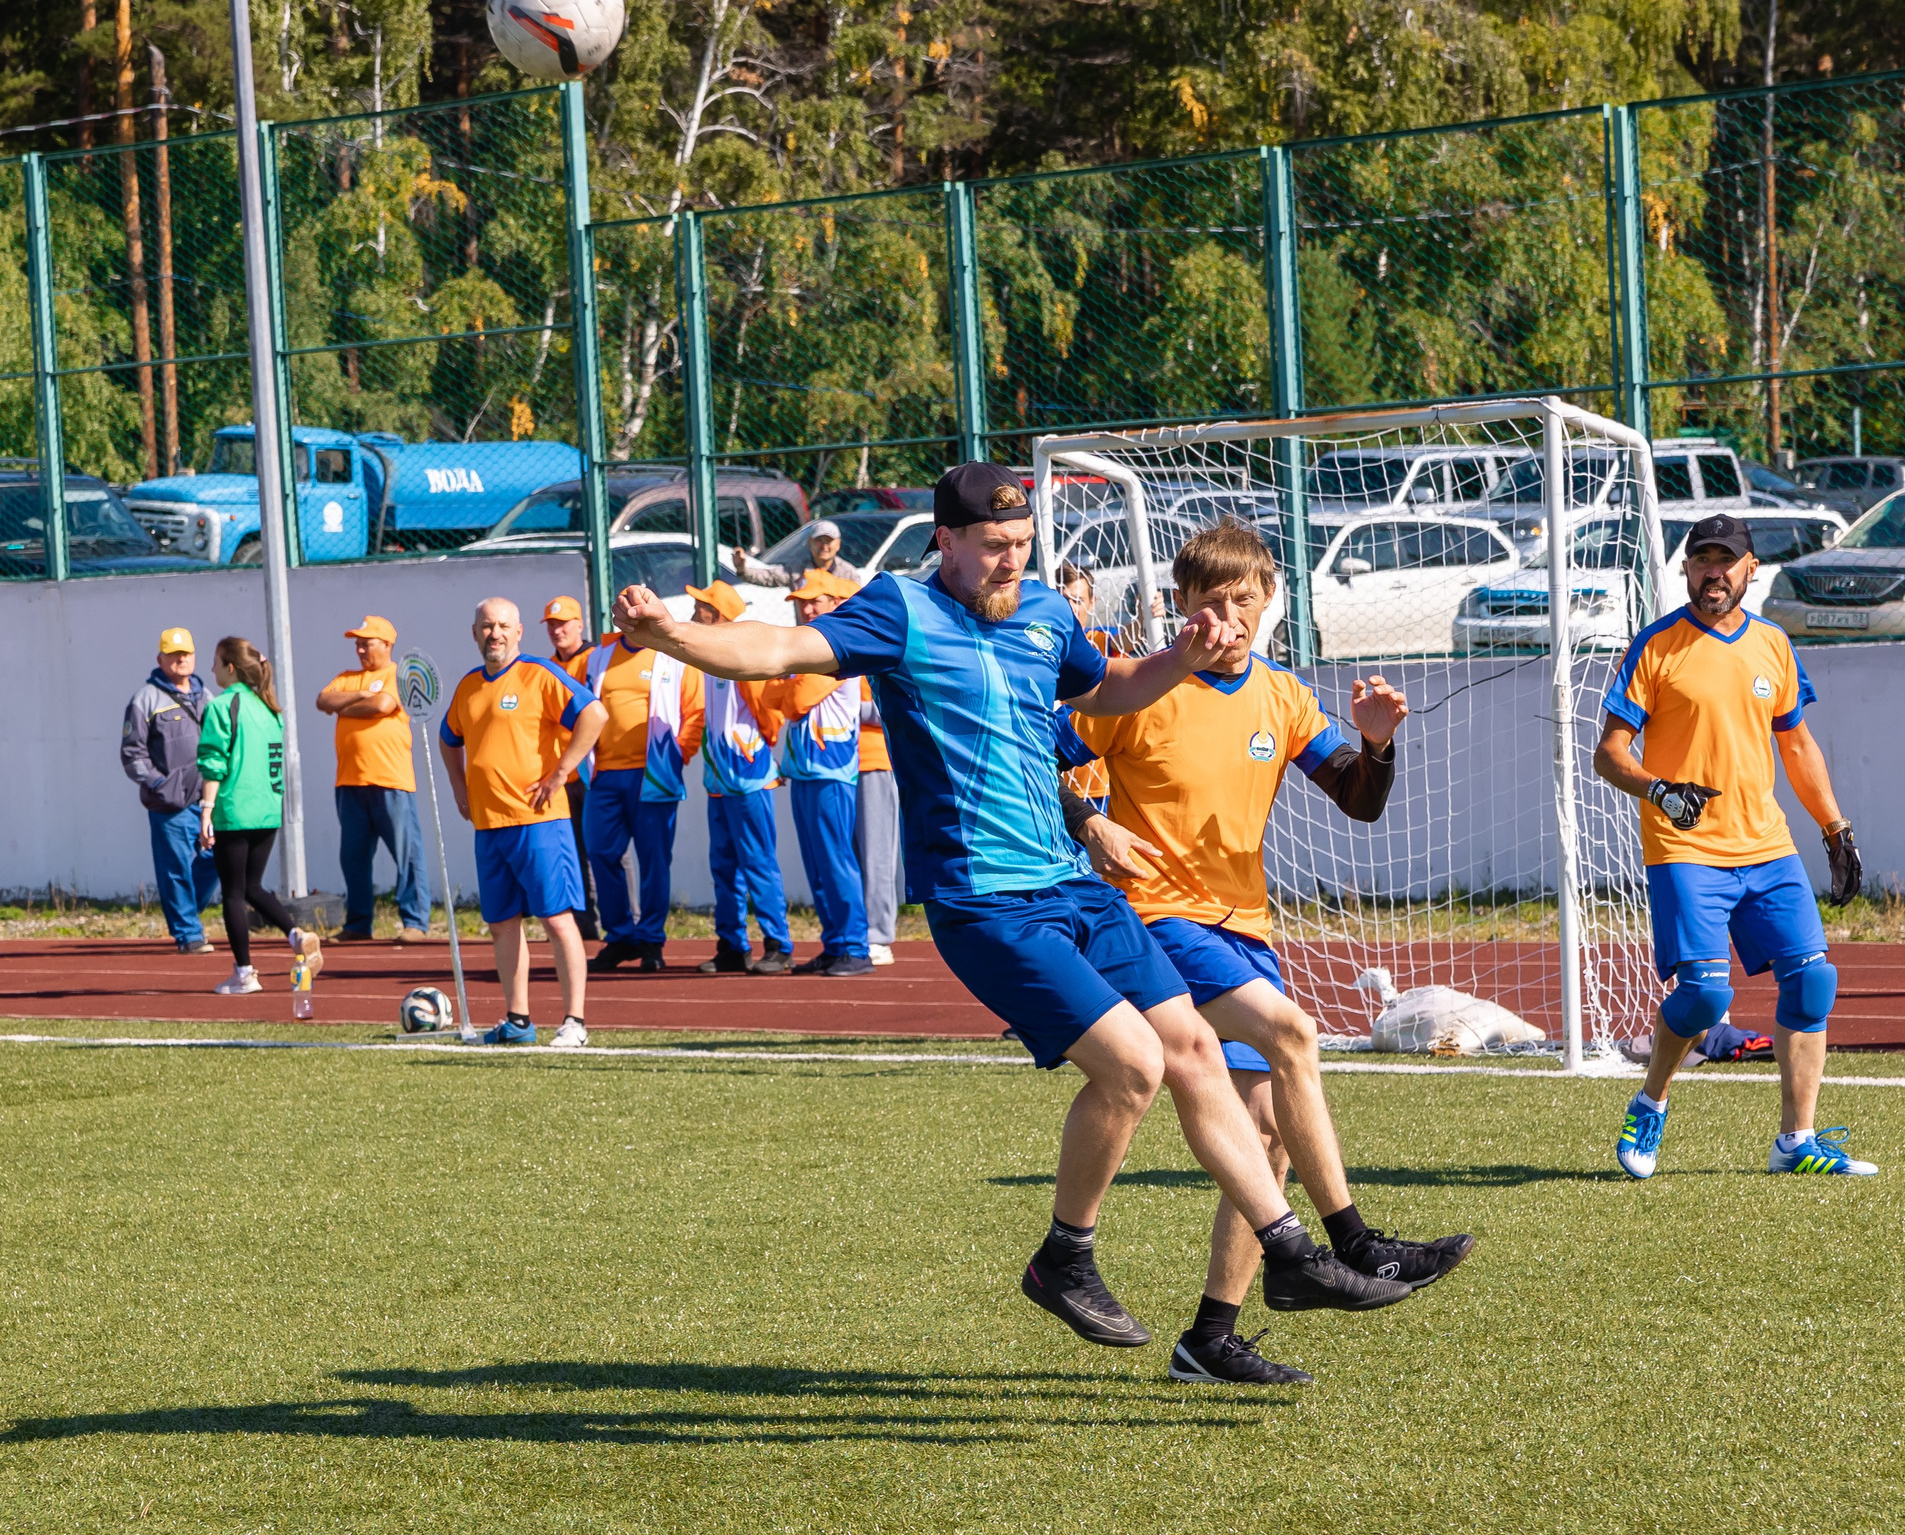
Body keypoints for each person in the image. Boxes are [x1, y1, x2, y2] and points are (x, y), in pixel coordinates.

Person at [613, 461, 1410, 1354]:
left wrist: (1177, 661)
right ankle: (1066, 1257)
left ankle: (1290, 1251)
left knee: (1192, 1050)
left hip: (1070, 884)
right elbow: (773, 653)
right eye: (994, 547)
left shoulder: (1043, 612)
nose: (1012, 563)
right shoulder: (899, 612)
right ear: (944, 541)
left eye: (1024, 546)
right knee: (1134, 1064)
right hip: (983, 899)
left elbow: (1103, 690)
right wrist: (669, 634)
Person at [1056, 521, 1473, 1384]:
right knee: (1292, 1032)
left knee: (1268, 1133)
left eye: (1245, 600)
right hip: (1158, 922)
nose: (1229, 616)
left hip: (1245, 927)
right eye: (1210, 602)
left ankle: (1210, 1337)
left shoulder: (1282, 697)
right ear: (1181, 606)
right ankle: (1358, 1240)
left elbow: (1357, 801)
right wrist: (1090, 820)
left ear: (1267, 603)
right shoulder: (1142, 689)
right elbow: (1052, 758)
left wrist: (1377, 745)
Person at [1594, 512, 1875, 1180]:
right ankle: (1651, 1099)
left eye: (1726, 561)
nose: (1712, 572)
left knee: (1812, 981)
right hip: (1685, 848)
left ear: (1751, 570)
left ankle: (1796, 1141)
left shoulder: (1774, 644)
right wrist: (1661, 790)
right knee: (1703, 997)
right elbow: (1609, 754)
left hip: (1767, 847)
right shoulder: (1657, 646)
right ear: (1687, 569)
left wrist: (1835, 828)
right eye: (1701, 560)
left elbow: (1797, 745)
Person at [439, 596, 608, 1046]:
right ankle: (517, 1021)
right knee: (502, 924)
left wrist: (561, 772)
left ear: (518, 632)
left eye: (503, 625)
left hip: (539, 823)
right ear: (475, 633)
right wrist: (459, 788)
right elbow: (447, 738)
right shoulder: (468, 686)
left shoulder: (540, 674)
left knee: (556, 920)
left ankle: (575, 1022)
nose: (495, 633)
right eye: (486, 626)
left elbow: (594, 714)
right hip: (489, 826)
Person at [579, 606, 705, 972]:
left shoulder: (673, 656)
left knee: (653, 860)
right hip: (604, 776)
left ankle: (651, 940)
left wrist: (680, 752)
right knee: (602, 853)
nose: (630, 621)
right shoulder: (598, 656)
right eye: (624, 615)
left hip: (654, 775)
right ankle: (620, 936)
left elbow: (694, 712)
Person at [195, 636, 320, 997]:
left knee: (233, 894)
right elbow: (275, 761)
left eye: (216, 661)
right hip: (267, 810)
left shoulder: (222, 706)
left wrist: (207, 810)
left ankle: (244, 973)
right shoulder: (270, 708)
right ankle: (296, 933)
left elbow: (213, 762)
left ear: (230, 667)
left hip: (234, 809)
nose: (212, 668)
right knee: (252, 886)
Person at [762, 570, 873, 976]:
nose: (806, 608)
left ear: (833, 604)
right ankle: (834, 943)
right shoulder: (806, 650)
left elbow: (793, 701)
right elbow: (770, 693)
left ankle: (855, 947)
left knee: (835, 860)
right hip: (806, 770)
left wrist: (785, 686)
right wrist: (785, 687)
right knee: (817, 862)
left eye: (815, 601)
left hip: (831, 770)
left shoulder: (835, 647)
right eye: (802, 602)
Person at [686, 580, 794, 975]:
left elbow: (770, 714)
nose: (694, 612)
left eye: (701, 607)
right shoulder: (707, 660)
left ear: (718, 617)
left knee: (759, 863)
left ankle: (778, 946)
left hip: (748, 781)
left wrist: (755, 754)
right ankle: (732, 945)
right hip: (718, 783)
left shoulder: (744, 661)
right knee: (724, 867)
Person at [314, 614, 430, 943]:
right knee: (353, 857)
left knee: (407, 854)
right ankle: (359, 923)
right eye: (358, 644)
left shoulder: (398, 674)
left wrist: (346, 704)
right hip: (350, 782)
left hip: (391, 780)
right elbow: (323, 700)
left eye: (367, 643)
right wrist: (359, 696)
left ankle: (415, 921)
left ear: (387, 645)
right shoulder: (346, 677)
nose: (361, 649)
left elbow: (382, 704)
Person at [120, 627, 222, 953]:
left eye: (186, 654)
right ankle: (189, 935)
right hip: (169, 804)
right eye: (174, 654)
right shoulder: (145, 699)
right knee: (175, 867)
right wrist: (159, 784)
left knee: (218, 858)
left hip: (207, 799)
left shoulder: (208, 698)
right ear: (160, 658)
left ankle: (187, 911)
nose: (181, 660)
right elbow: (132, 754)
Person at [544, 594, 604, 944]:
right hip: (558, 776)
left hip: (591, 773)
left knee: (602, 850)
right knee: (572, 852)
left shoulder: (595, 659)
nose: (557, 630)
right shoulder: (545, 666)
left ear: (580, 625)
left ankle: (620, 923)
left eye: (564, 623)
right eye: (552, 624)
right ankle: (584, 924)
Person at [1056, 563, 1119, 813]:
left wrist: (1146, 615)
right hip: (1059, 782)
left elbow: (1126, 638)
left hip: (1100, 789)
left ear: (1091, 603)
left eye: (1078, 600)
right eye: (1065, 599)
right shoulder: (1040, 644)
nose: (1072, 607)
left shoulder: (1100, 640)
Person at [856, 689, 899, 967]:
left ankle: (878, 936)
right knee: (847, 859)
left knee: (876, 854)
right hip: (836, 764)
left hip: (874, 762)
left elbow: (892, 706)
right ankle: (851, 933)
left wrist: (848, 708)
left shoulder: (875, 652)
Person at [731, 518, 868, 590]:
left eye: (829, 541)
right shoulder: (796, 568)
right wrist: (742, 570)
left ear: (838, 544)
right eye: (819, 540)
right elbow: (769, 577)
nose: (824, 546)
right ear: (810, 542)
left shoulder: (848, 574)